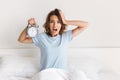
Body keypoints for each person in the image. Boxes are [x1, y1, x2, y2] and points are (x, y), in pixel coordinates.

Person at [18, 9, 88, 72]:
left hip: (62, 75)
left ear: (61, 24)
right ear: (48, 24)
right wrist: (29, 26)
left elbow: (85, 25)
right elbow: (21, 40)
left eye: (58, 22)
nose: (55, 25)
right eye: (52, 22)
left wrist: (65, 21)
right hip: (46, 75)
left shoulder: (66, 36)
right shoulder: (42, 37)